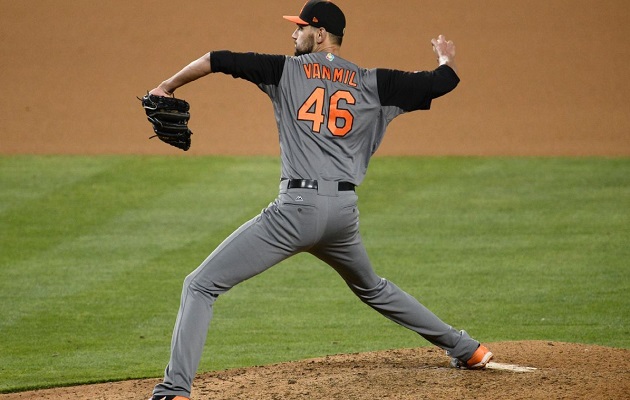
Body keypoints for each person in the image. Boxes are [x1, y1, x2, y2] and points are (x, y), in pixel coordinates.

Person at [147, 1, 493, 399]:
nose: (293, 35)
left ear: (320, 34)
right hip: (342, 218)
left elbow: (217, 58)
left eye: (299, 29)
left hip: (295, 212)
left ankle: (173, 390)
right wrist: (445, 60)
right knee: (373, 288)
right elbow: (440, 82)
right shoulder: (372, 82)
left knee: (200, 285)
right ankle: (467, 349)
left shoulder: (284, 69)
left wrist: (167, 87)